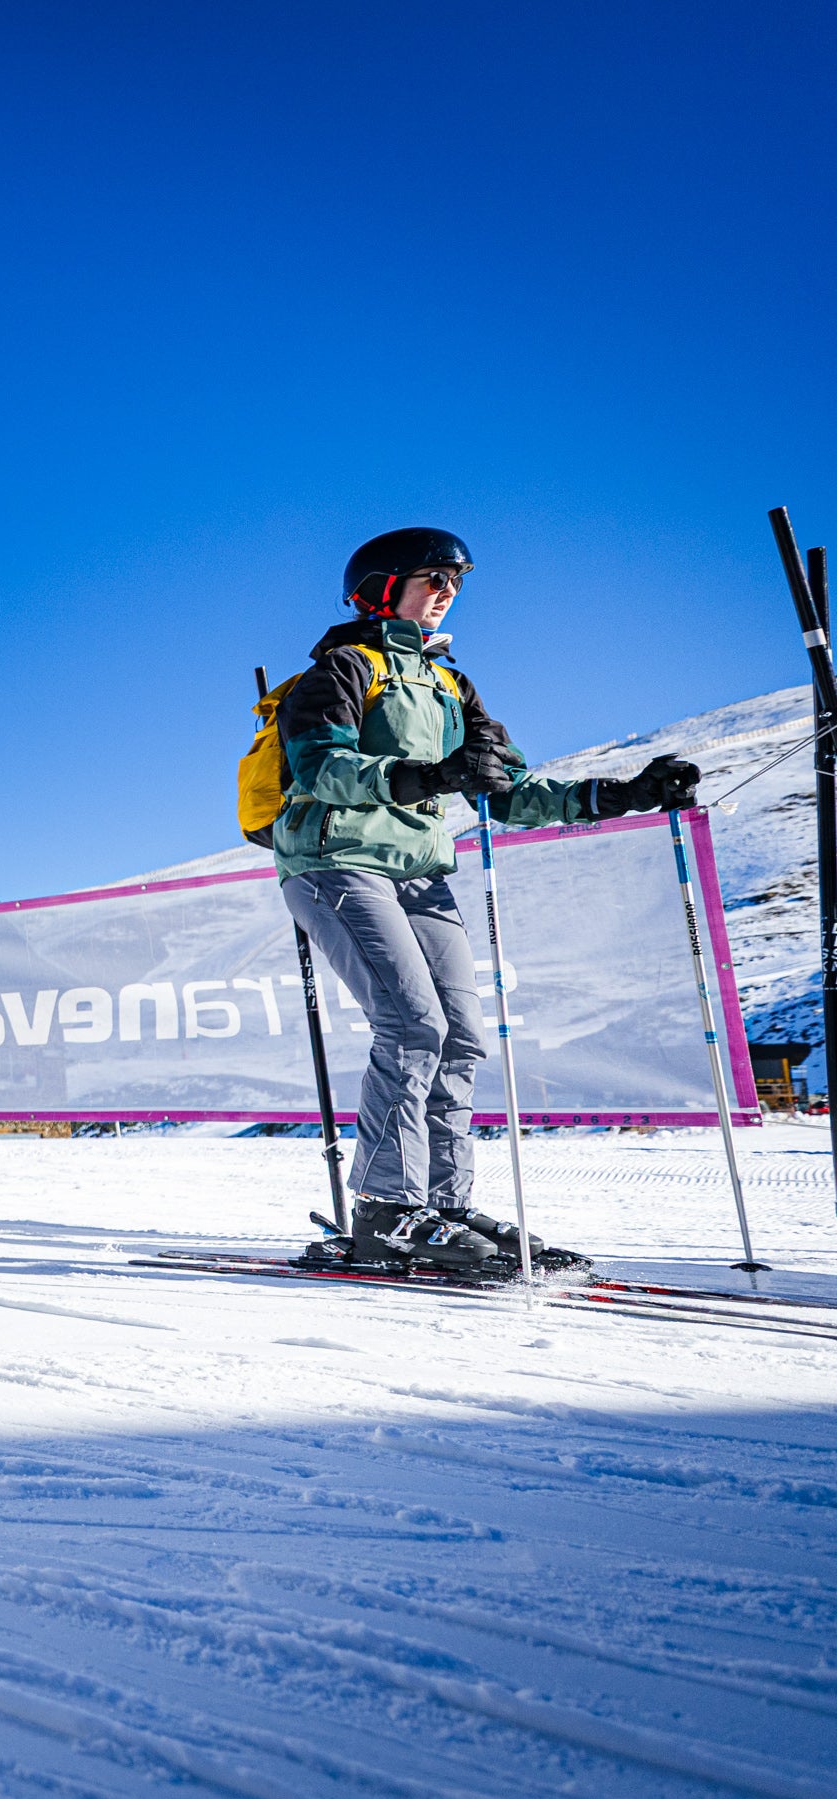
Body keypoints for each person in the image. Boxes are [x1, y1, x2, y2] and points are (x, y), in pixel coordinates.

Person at [273, 528, 697, 1272]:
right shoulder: (341, 670)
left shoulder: (450, 686)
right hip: (335, 863)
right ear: (382, 588)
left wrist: (621, 794)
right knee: (410, 1027)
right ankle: (385, 1211)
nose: (446, 594)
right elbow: (321, 768)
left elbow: (509, 791)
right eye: (433, 579)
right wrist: (430, 776)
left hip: (419, 874)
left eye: (454, 584)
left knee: (459, 1036)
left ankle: (444, 1206)